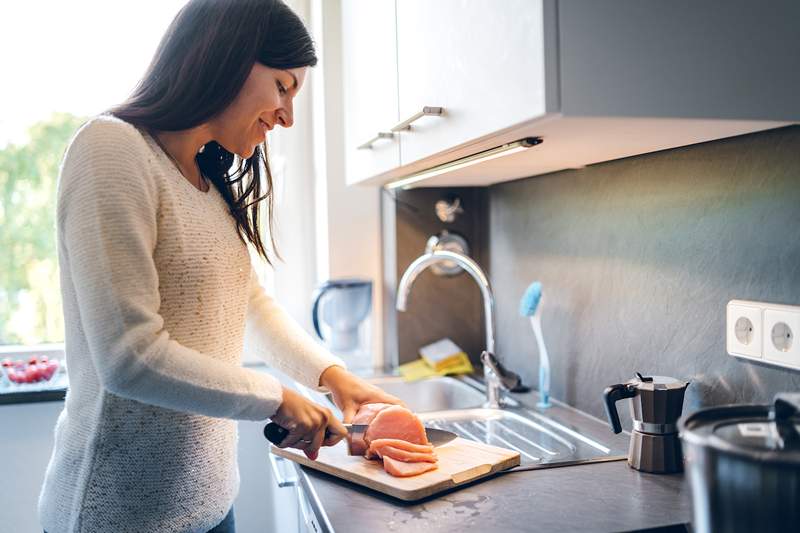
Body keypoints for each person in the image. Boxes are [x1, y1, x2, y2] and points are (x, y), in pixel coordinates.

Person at [37, 1, 402, 532]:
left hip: (212, 505)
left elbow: (247, 302)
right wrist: (277, 399)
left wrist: (332, 378)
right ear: (226, 58)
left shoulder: (209, 179)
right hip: (118, 517)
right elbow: (129, 358)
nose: (287, 116)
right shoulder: (111, 149)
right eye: (282, 87)